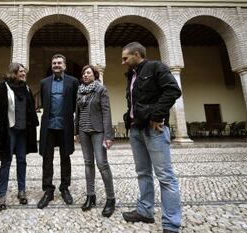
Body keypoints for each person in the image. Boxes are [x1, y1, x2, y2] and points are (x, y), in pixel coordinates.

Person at [121, 42, 182, 233]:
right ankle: (145, 211)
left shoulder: (156, 67)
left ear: (137, 54)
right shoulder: (132, 74)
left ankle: (171, 224)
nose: (123, 62)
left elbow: (173, 90)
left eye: (125, 58)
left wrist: (158, 115)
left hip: (153, 129)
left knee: (165, 177)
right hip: (136, 129)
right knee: (143, 173)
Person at [0, 62, 39, 210]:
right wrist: (0, 126)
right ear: (13, 72)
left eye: (24, 72)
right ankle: (2, 195)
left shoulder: (27, 89)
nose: (24, 74)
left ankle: (21, 191)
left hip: (23, 132)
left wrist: (32, 123)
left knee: (22, 161)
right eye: (21, 71)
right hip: (9, 131)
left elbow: (31, 108)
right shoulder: (1, 88)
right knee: (6, 161)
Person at [37, 54, 79, 209]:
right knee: (47, 160)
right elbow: (44, 101)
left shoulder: (73, 82)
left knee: (65, 158)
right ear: (51, 65)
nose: (56, 65)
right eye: (54, 63)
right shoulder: (44, 83)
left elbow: (76, 103)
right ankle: (48, 190)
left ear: (64, 65)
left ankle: (64, 188)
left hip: (65, 126)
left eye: (59, 63)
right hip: (49, 126)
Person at [74, 65, 115, 217]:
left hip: (98, 131)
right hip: (84, 131)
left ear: (95, 75)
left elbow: (106, 112)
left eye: (88, 72)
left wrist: (109, 136)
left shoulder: (101, 89)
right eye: (83, 72)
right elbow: (77, 112)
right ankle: (91, 196)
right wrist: (76, 131)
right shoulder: (79, 91)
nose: (85, 75)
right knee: (88, 163)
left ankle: (111, 199)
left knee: (102, 164)